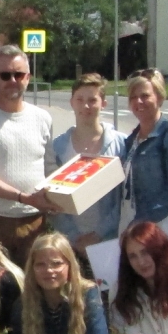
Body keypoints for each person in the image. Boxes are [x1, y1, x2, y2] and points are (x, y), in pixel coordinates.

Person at [0, 45, 56, 267]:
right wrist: (24, 197)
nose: (13, 80)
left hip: (34, 221)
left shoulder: (43, 118)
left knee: (33, 293)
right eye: (5, 75)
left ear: (28, 77)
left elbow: (51, 168)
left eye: (19, 74)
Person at [50, 74, 123, 255]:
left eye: (92, 100)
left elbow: (124, 199)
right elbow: (52, 200)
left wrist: (98, 234)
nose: (86, 106)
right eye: (80, 99)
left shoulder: (121, 144)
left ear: (103, 103)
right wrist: (74, 237)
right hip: (70, 243)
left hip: (110, 240)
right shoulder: (58, 147)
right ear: (72, 102)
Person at [118, 70, 168, 242]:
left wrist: (141, 221)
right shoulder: (131, 140)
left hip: (164, 228)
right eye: (133, 97)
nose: (138, 101)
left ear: (159, 97)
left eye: (145, 96)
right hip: (134, 227)